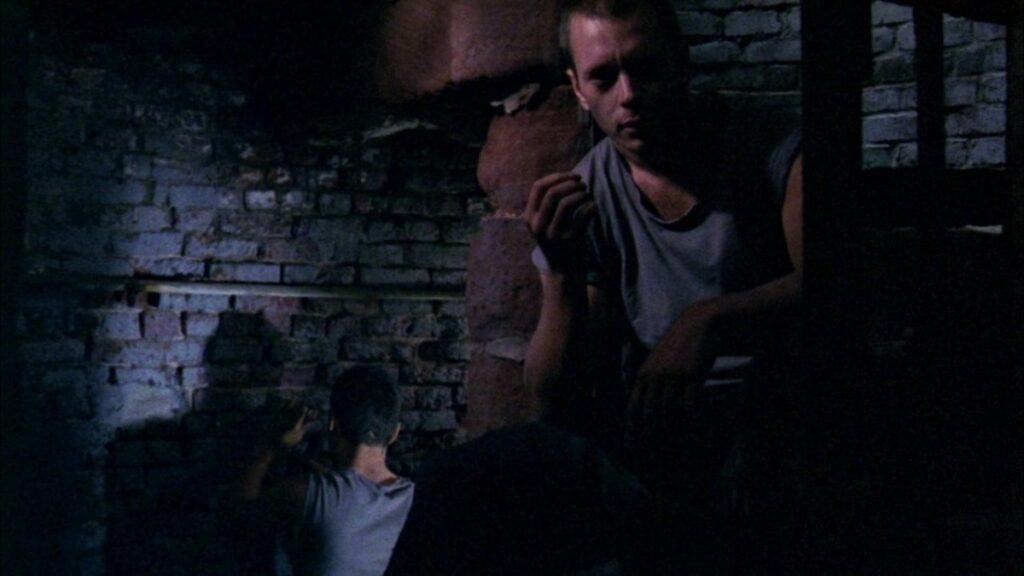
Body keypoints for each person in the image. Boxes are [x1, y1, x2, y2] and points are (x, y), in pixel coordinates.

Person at [523, 0, 802, 568]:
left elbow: (838, 285)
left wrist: (707, 321)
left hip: (777, 411)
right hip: (664, 432)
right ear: (578, 89)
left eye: (645, 68)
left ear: (681, 62)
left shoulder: (770, 146)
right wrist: (561, 274)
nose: (628, 95)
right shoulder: (590, 191)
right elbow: (553, 398)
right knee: (479, 481)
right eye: (603, 77)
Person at [232, 367, 414, 576]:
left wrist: (270, 446)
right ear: (394, 433)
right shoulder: (417, 500)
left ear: (332, 424)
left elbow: (239, 518)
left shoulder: (308, 494)